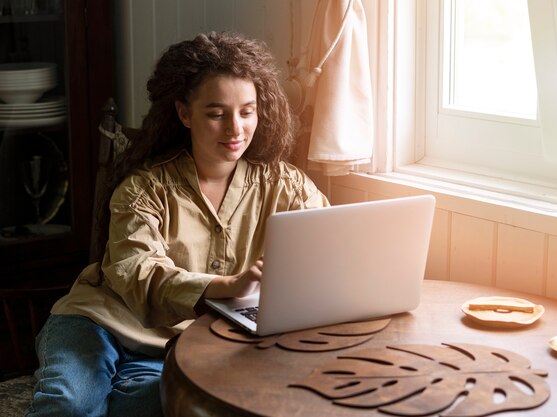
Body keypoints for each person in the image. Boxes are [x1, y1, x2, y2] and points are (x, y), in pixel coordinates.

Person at [26, 31, 329, 417]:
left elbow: (327, 250)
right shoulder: (144, 188)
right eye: (217, 114)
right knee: (71, 404)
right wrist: (226, 287)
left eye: (247, 111)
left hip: (175, 343)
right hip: (97, 322)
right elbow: (137, 273)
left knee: (161, 406)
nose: (236, 129)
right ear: (185, 113)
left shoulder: (288, 187)